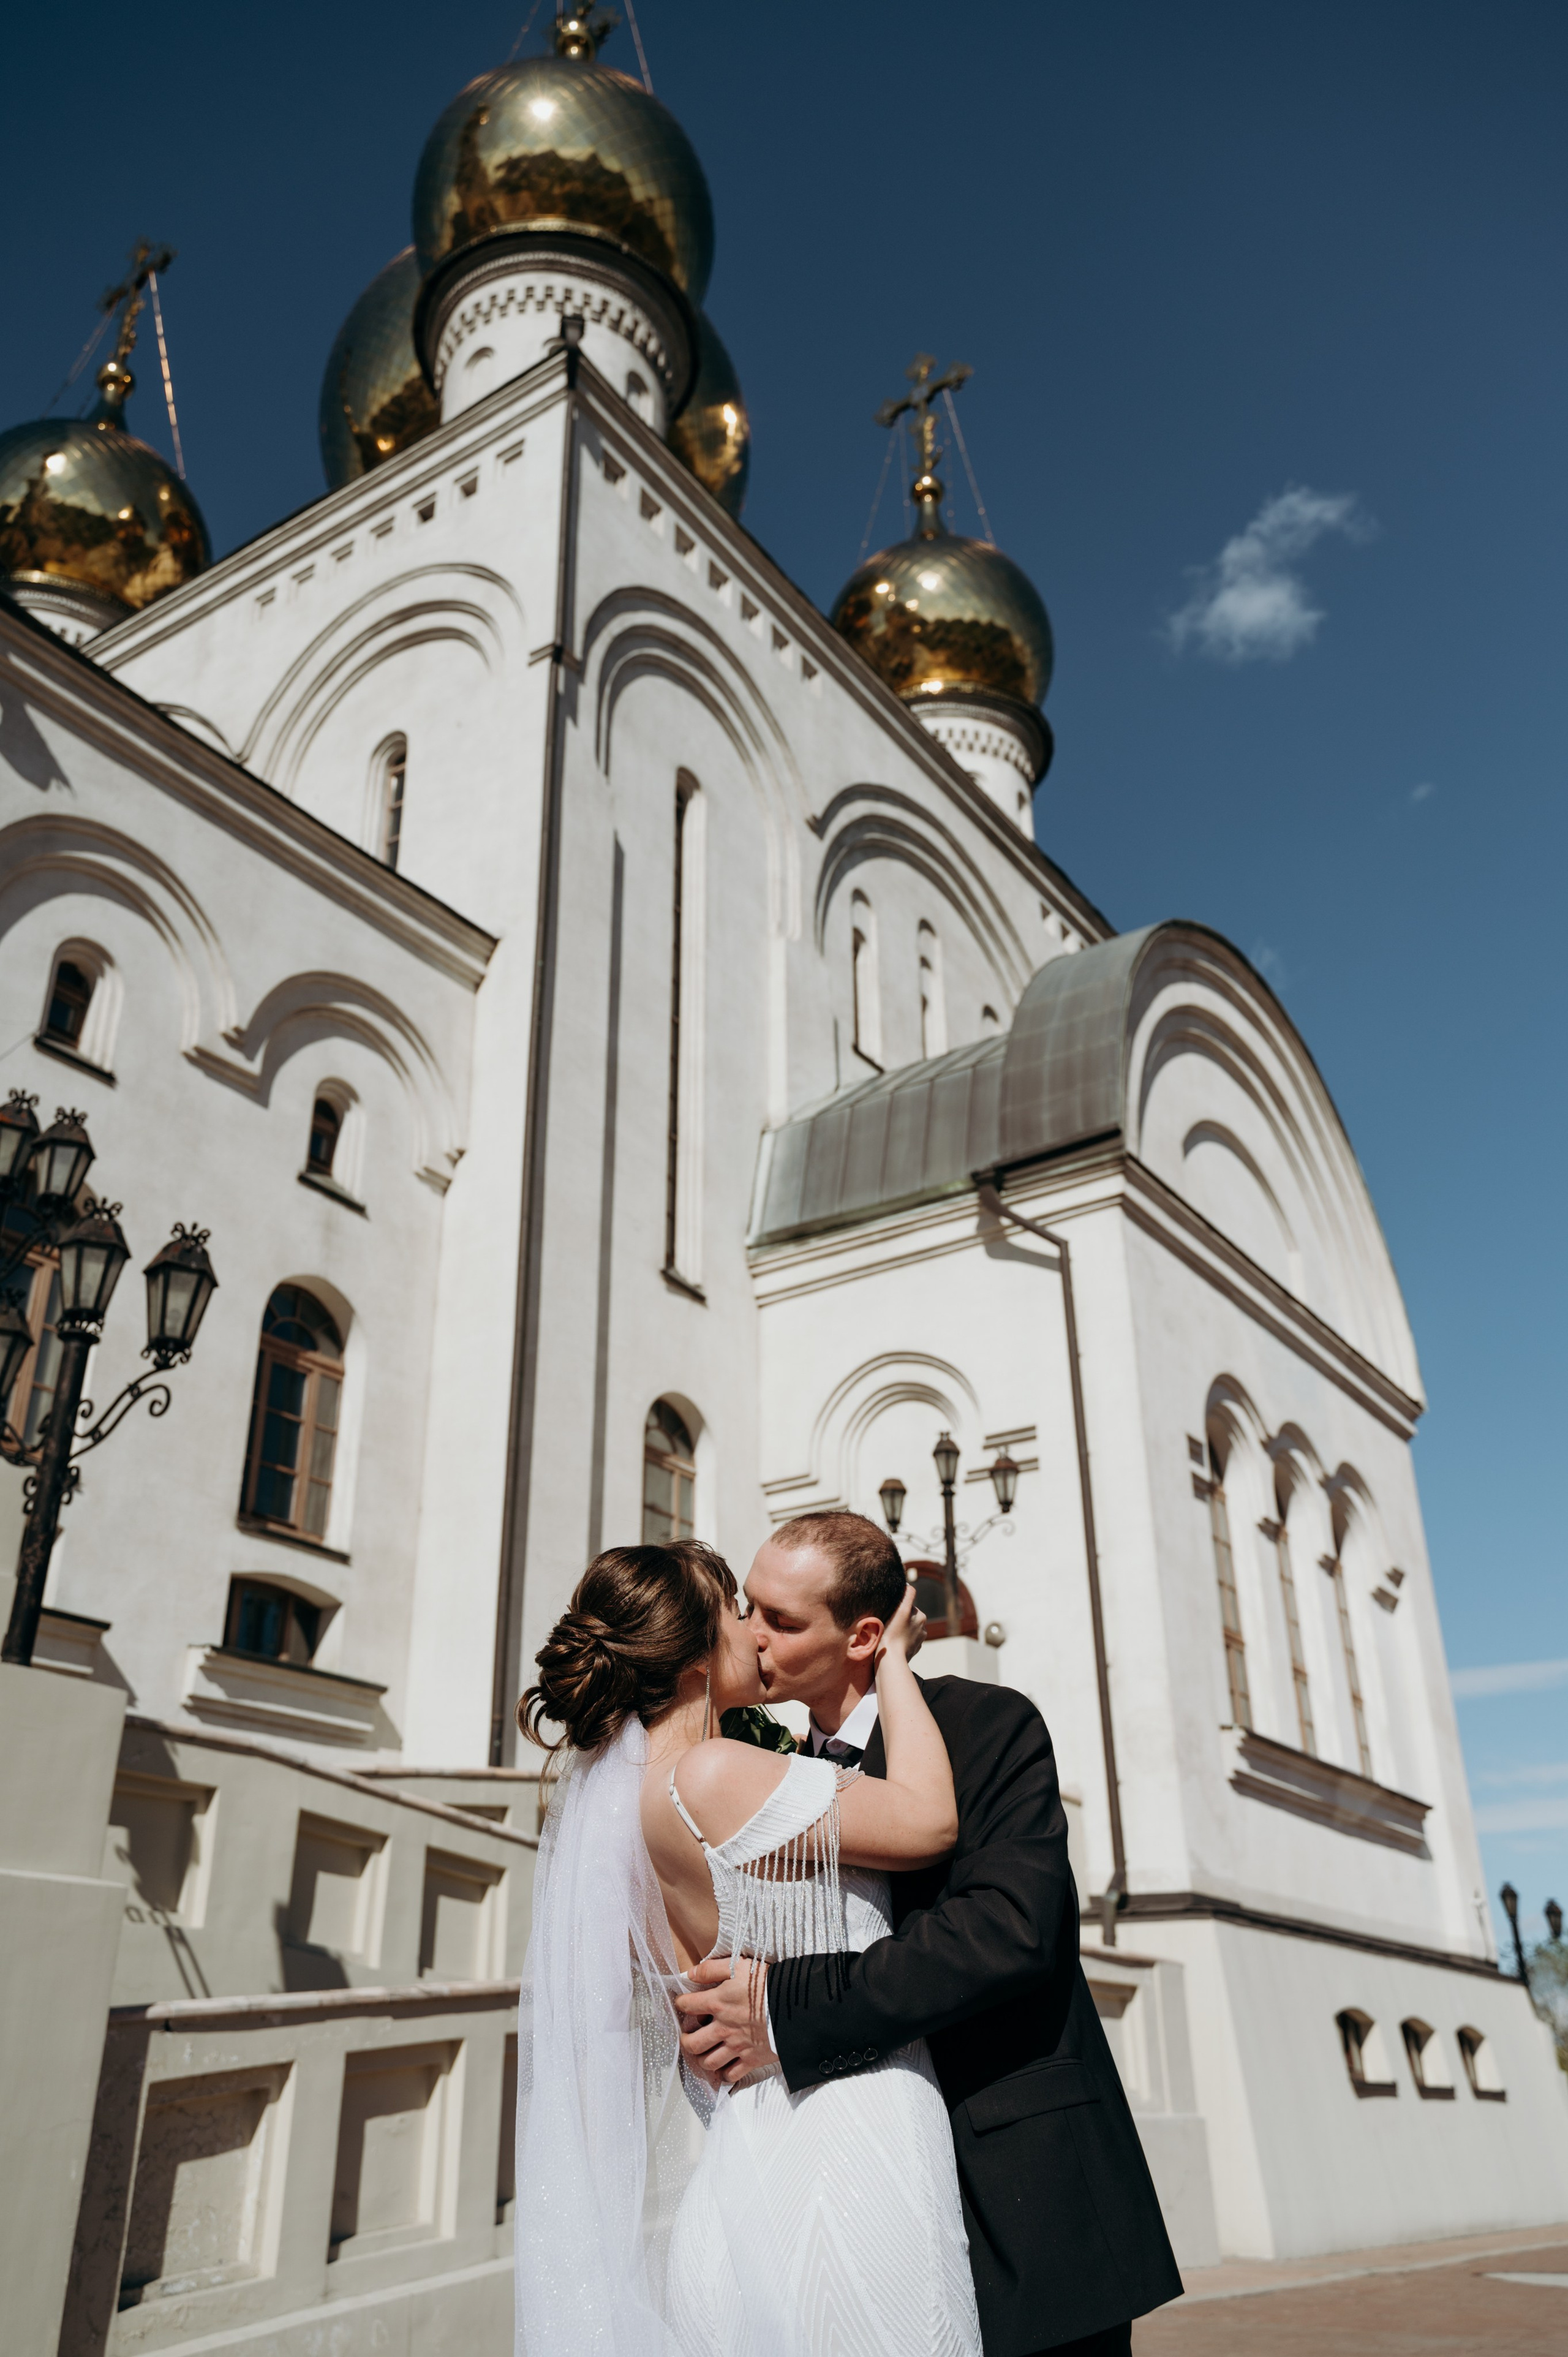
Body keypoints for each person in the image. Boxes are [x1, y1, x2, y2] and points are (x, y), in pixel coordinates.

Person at [676, 1511, 1182, 2357]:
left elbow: (1008, 1931)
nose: (750, 1636)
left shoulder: (989, 1725)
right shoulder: (769, 1765)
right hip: (855, 2190)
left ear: (864, 1636)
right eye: (748, 1606)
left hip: (1020, 2198)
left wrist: (782, 2008)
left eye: (784, 1620)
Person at [516, 1536, 982, 2355]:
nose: (755, 1632)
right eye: (738, 1611)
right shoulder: (709, 1775)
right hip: (846, 2140)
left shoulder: (626, 1815)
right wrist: (897, 1666)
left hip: (746, 2163)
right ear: (698, 1655)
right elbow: (929, 1820)